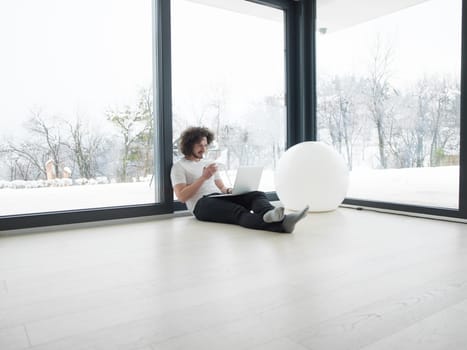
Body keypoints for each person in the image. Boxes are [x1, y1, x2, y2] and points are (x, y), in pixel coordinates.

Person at [170, 126, 309, 233]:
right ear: (189, 145)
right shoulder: (179, 167)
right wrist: (203, 177)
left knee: (257, 194)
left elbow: (221, 187)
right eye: (200, 145)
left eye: (206, 145)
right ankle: (283, 223)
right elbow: (182, 196)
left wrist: (230, 191)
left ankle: (270, 213)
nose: (204, 149)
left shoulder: (209, 163)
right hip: (201, 205)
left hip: (219, 197)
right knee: (238, 212)